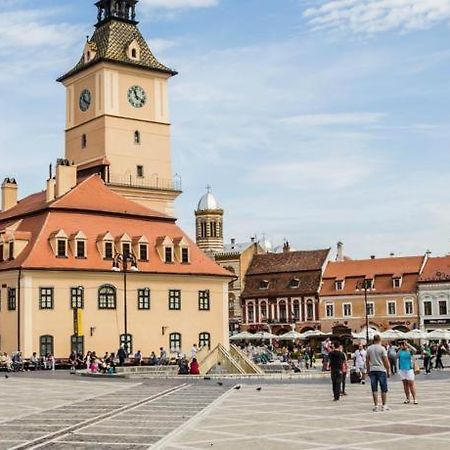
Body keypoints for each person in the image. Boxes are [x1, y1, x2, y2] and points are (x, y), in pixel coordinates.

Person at [366, 335, 390, 412]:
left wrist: (368, 370)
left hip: (372, 369)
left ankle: (376, 405)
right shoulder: (382, 348)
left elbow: (367, 360)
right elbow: (385, 360)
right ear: (380, 340)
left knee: (374, 388)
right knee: (383, 388)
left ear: (373, 340)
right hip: (381, 369)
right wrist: (388, 370)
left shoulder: (369, 348)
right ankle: (384, 405)